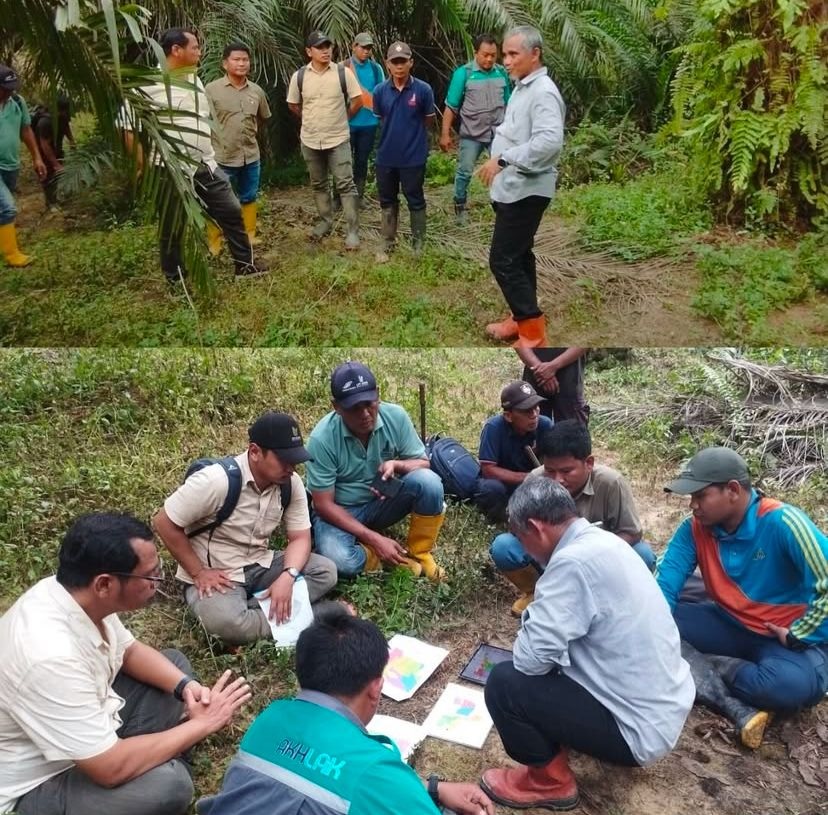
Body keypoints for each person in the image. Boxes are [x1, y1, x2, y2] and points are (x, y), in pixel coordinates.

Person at [0, 513, 252, 815]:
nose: (156, 583)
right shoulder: (48, 656)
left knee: (173, 666)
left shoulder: (74, 594)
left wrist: (188, 687)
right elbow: (108, 768)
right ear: (104, 584)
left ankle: (154, 752)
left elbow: (129, 651)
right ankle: (157, 759)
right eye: (149, 576)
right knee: (169, 786)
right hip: (42, 777)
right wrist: (202, 725)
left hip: (87, 728)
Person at [480, 478, 694, 810]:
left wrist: (535, 615)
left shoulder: (571, 564)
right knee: (555, 662)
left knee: (505, 684)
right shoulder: (606, 542)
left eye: (520, 539)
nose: (522, 551)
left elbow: (529, 661)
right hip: (663, 709)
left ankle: (549, 781)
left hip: (635, 730)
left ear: (535, 528)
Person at [197, 604, 494, 815]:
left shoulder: (269, 719)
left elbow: (327, 777)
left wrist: (433, 789)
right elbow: (363, 781)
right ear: (376, 688)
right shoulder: (376, 768)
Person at [657, 447, 828, 747]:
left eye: (700, 496)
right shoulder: (695, 529)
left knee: (789, 687)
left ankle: (707, 665)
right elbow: (665, 585)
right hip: (727, 621)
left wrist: (798, 635)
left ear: (733, 490)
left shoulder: (783, 523)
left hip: (781, 638)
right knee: (655, 622)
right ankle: (716, 665)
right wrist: (652, 625)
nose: (693, 505)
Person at [153, 411, 338, 645]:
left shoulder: (290, 484)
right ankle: (307, 614)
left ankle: (262, 610)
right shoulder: (216, 481)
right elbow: (163, 521)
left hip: (259, 563)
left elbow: (300, 537)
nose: (291, 468)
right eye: (284, 460)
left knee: (326, 571)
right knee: (227, 624)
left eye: (295, 461)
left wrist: (287, 576)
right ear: (255, 452)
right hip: (219, 574)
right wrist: (199, 572)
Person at [119, 28, 268, 283]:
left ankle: (245, 266)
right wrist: (142, 164)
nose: (199, 51)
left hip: (205, 164)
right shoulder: (148, 84)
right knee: (172, 225)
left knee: (231, 211)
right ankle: (175, 277)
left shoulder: (194, 79)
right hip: (169, 168)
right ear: (176, 50)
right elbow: (127, 126)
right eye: (195, 47)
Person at [491, 420, 656, 615]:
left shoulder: (611, 483)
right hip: (551, 561)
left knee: (643, 555)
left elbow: (631, 532)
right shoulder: (536, 479)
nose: (557, 479)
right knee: (504, 547)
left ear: (589, 463)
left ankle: (608, 599)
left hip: (598, 564)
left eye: (566, 471)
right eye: (550, 470)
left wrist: (588, 555)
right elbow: (519, 529)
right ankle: (540, 593)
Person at [306, 361, 446, 581]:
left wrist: (397, 465)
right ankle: (387, 557)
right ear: (336, 406)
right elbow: (323, 505)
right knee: (339, 560)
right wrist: (373, 539)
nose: (365, 414)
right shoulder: (321, 439)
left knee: (429, 482)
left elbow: (423, 463)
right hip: (341, 511)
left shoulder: (396, 416)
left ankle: (421, 553)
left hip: (382, 503)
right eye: (354, 408)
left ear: (378, 395)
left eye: (369, 404)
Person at [478, 26, 565, 348]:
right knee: (519, 255)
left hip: (528, 190)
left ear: (534, 54)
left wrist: (503, 159)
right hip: (515, 188)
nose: (506, 60)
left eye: (514, 54)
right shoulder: (523, 87)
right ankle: (521, 317)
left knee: (502, 260)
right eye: (505, 54)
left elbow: (548, 141)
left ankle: (533, 334)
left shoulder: (542, 91)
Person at [287, 30, 363, 250]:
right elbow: (293, 104)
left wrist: (344, 118)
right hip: (310, 140)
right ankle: (325, 221)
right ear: (309, 51)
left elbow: (357, 100)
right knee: (318, 184)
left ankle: (352, 231)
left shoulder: (342, 73)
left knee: (345, 184)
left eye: (328, 46)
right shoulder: (299, 76)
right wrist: (309, 119)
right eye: (320, 47)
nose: (325, 51)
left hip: (337, 138)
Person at [371, 42, 436, 261]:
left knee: (415, 199)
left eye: (403, 61)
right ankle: (388, 241)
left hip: (413, 157)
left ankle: (419, 243)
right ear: (387, 65)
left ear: (411, 63)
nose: (399, 66)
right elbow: (380, 119)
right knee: (387, 200)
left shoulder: (423, 90)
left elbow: (428, 120)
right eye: (395, 62)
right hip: (386, 157)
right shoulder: (380, 91)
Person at [205, 42, 272, 252]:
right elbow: (203, 122)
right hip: (222, 157)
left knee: (249, 196)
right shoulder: (212, 90)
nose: (241, 64)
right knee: (216, 201)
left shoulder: (256, 91)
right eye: (236, 59)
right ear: (225, 64)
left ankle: (249, 235)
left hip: (250, 156)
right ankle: (214, 240)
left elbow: (262, 120)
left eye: (245, 60)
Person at [440, 34, 511, 225]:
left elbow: (509, 103)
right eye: (485, 55)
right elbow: (451, 107)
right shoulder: (464, 73)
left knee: (502, 170)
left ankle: (501, 206)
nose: (489, 59)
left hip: (497, 134)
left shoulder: (501, 73)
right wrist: (445, 134)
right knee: (464, 171)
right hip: (472, 134)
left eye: (493, 55)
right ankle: (460, 206)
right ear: (476, 53)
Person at [475, 380, 554, 524]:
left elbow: (556, 459)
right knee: (491, 489)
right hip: (504, 483)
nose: (534, 414)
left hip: (532, 483)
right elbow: (488, 470)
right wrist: (529, 477)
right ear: (508, 416)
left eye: (536, 407)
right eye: (526, 411)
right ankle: (503, 518)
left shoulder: (545, 425)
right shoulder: (494, 428)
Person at [0, 64, 47, 267]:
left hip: (11, 164)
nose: (10, 91)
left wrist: (37, 157)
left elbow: (26, 131)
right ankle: (12, 255)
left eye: (12, 87)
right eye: (5, 87)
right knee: (6, 207)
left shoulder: (17, 102)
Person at [333, 32, 384, 209]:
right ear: (354, 46)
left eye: (369, 48)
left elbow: (381, 94)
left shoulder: (376, 69)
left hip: (369, 124)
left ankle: (359, 197)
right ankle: (338, 198)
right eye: (363, 47)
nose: (366, 51)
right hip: (346, 124)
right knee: (342, 162)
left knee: (362, 161)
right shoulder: (342, 68)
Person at [516, 346, 591, 424]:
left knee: (571, 430)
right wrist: (540, 369)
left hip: (570, 378)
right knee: (533, 428)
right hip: (535, 374)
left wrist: (552, 367)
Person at [33, 95, 75, 209]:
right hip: (43, 153)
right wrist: (55, 164)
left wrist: (72, 141)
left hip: (57, 147)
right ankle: (51, 203)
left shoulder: (63, 116)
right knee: (48, 175)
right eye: (62, 111)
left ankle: (57, 198)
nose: (64, 114)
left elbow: (66, 127)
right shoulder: (45, 122)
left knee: (58, 175)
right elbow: (44, 145)